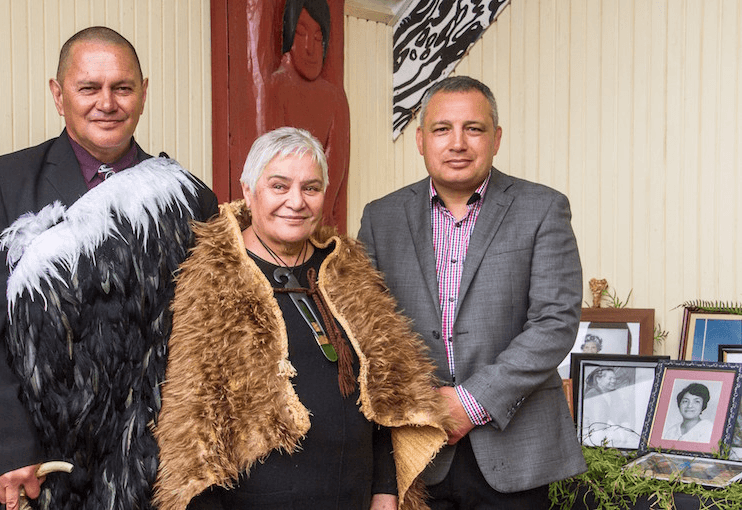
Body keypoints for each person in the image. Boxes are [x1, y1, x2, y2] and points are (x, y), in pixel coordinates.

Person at [0, 26, 218, 510]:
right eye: (89, 88)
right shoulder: (4, 182)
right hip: (43, 466)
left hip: (158, 463)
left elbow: (208, 337)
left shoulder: (189, 197)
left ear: (143, 93)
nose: (107, 103)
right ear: (59, 95)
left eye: (122, 87)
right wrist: (7, 450)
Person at [153, 127, 456, 510]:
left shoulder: (345, 267)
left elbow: (383, 393)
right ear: (248, 190)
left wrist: (385, 489)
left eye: (310, 188)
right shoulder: (214, 278)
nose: (296, 202)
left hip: (355, 497)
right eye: (279, 186)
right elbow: (195, 423)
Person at [358, 76, 586, 509]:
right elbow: (369, 332)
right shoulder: (381, 217)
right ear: (421, 140)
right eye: (442, 129)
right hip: (415, 450)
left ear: (496, 139)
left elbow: (555, 323)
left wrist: (471, 401)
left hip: (515, 451)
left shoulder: (542, 208)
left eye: (474, 129)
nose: (458, 143)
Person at [268, 0, 350, 231]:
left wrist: (319, 211)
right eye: (300, 34)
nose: (309, 48)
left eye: (317, 38)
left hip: (321, 219)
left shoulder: (335, 98)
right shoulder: (277, 87)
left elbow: (336, 163)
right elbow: (273, 161)